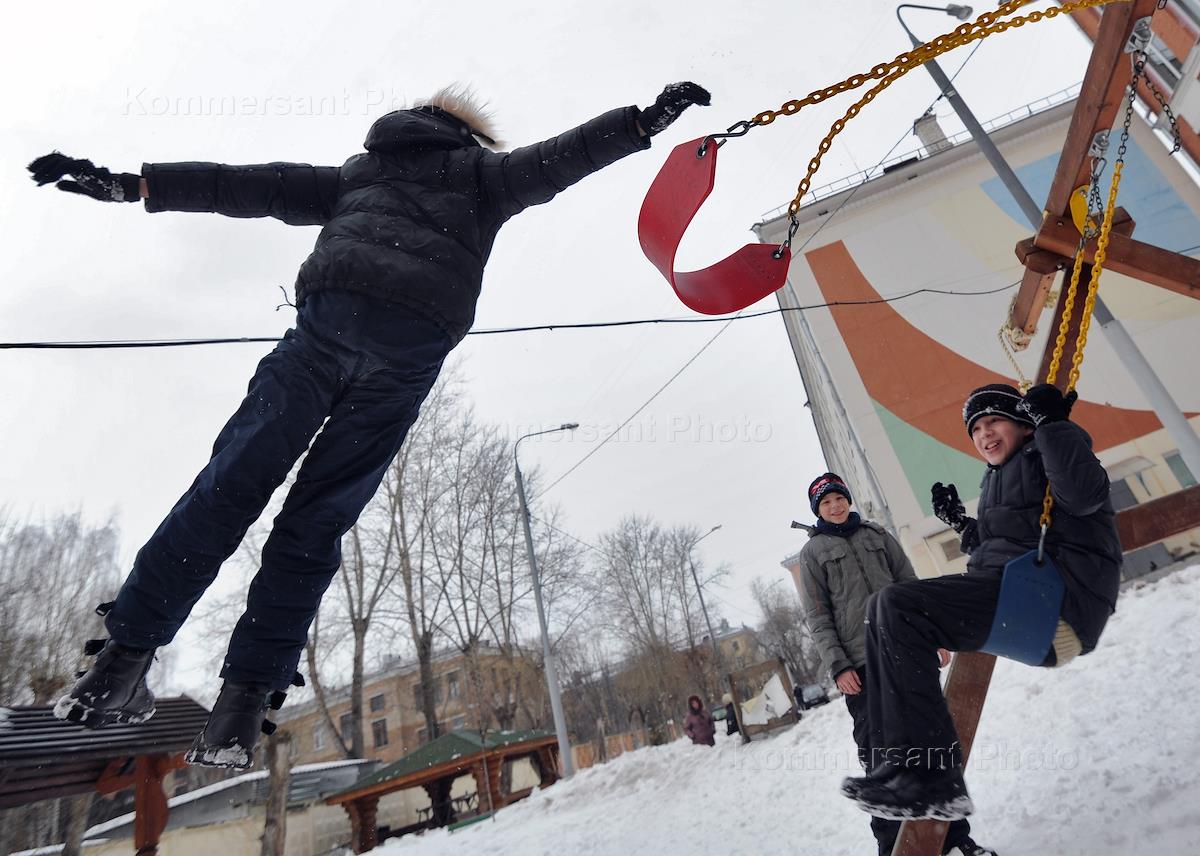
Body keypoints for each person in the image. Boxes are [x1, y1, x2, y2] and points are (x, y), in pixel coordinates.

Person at [31, 81, 712, 770]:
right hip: (404, 358)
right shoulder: (485, 176)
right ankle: (239, 709)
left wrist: (134, 185)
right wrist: (642, 121)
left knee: (227, 488)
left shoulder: (360, 175)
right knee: (314, 524)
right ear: (468, 135)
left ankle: (120, 663)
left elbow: (248, 186)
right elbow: (562, 158)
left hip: (321, 335)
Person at [843, 383, 1119, 841]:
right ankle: (907, 770)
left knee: (897, 606)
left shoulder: (1048, 450)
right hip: (1025, 598)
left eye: (994, 421)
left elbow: (1084, 494)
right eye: (975, 429)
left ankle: (930, 779)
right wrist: (961, 524)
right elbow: (1007, 541)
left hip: (1059, 603)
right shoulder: (999, 476)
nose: (984, 434)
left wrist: (1054, 424)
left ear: (1023, 424)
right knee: (884, 610)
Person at [797, 473, 994, 856]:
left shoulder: (877, 535)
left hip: (906, 651)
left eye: (839, 498)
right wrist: (839, 666)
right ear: (818, 510)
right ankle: (893, 848)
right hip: (861, 666)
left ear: (848, 499)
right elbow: (818, 617)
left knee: (931, 739)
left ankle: (955, 839)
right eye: (826, 502)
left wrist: (932, 634)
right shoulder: (813, 553)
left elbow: (909, 583)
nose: (835, 506)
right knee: (879, 754)